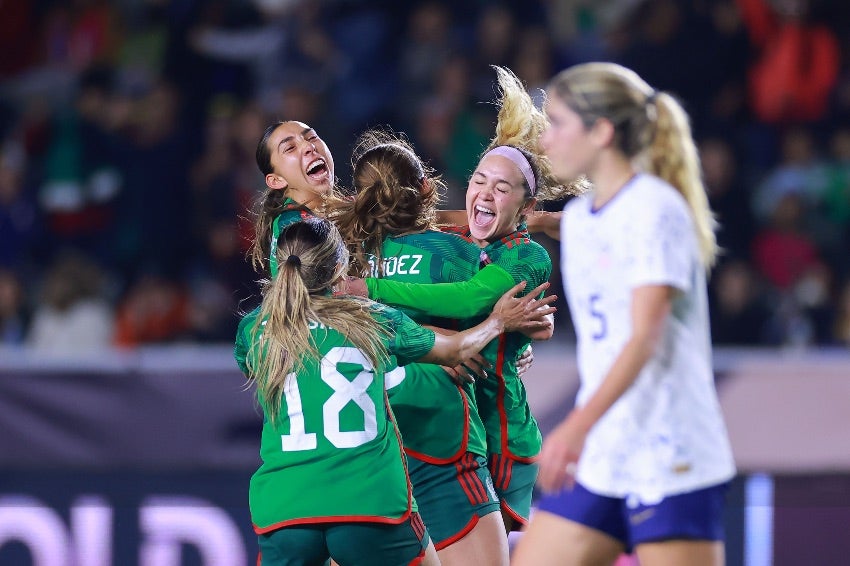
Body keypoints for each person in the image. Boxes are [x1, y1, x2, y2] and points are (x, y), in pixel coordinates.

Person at [512, 62, 736, 566]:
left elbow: (644, 339)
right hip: (607, 446)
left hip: (668, 447)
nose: (546, 141)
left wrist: (575, 426)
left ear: (602, 132)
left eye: (559, 124)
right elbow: (579, 225)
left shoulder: (656, 209)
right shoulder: (586, 217)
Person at [234, 216, 552, 566]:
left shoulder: (253, 328)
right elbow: (458, 349)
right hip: (369, 502)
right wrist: (498, 322)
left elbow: (257, 370)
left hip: (284, 507)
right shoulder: (369, 318)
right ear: (340, 267)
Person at [345, 66, 582, 532]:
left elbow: (467, 298)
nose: (484, 194)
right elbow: (426, 215)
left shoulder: (528, 258)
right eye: (478, 180)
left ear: (524, 204)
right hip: (458, 422)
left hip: (501, 433)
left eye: (502, 187)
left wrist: (368, 288)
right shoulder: (462, 237)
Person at [335, 130, 533, 565]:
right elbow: (478, 301)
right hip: (443, 438)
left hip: (365, 441)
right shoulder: (459, 253)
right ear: (426, 186)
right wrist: (513, 332)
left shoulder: (338, 259)